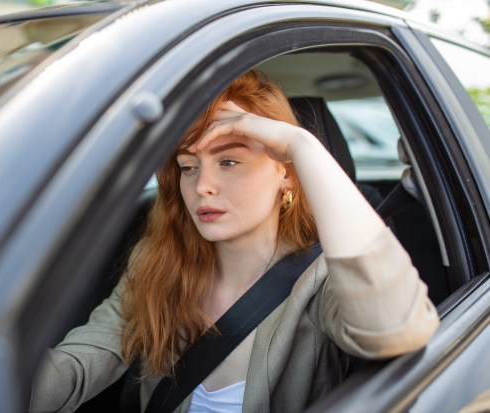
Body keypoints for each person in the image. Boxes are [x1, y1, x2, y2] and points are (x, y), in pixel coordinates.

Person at [29, 70, 439, 413]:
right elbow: (71, 371)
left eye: (229, 161)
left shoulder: (322, 282)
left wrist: (303, 145)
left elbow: (396, 329)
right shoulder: (158, 263)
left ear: (286, 175)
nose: (202, 186)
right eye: (188, 167)